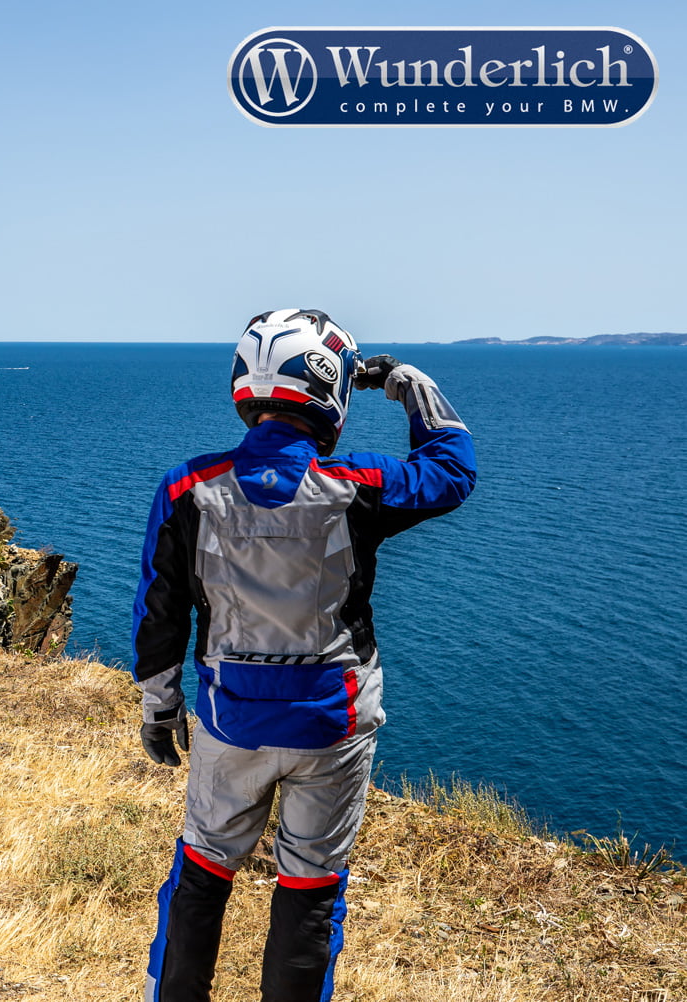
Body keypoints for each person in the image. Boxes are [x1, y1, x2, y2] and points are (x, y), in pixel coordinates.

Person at [132, 308, 476, 1002]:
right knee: (311, 888)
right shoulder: (355, 484)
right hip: (332, 722)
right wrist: (406, 382)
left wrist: (158, 707)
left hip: (231, 721)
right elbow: (451, 469)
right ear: (329, 390)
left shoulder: (186, 488)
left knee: (202, 870)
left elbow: (159, 611)